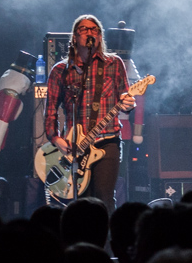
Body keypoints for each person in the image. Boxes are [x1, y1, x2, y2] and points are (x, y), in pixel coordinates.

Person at [44, 15, 135, 214]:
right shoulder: (60, 70)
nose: (90, 32)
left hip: (107, 140)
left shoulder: (114, 64)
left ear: (100, 38)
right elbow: (50, 110)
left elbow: (126, 99)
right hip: (74, 145)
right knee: (81, 202)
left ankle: (107, 242)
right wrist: (56, 138)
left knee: (103, 196)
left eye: (95, 30)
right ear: (75, 37)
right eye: (84, 29)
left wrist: (128, 104)